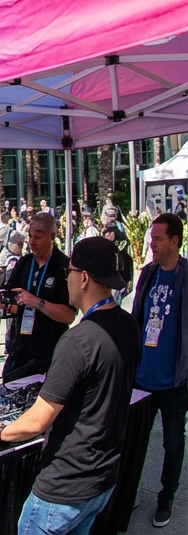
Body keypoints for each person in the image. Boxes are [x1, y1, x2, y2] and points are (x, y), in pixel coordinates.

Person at [0, 237, 139, 535]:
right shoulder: (128, 325)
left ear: (84, 278)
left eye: (70, 272)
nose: (67, 278)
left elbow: (37, 421)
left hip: (65, 486)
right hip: (103, 477)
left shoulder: (77, 341)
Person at [131, 213, 188, 528]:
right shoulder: (149, 273)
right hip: (141, 378)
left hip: (175, 381)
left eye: (157, 239)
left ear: (174, 241)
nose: (151, 244)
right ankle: (130, 492)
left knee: (173, 442)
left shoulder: (186, 275)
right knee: (133, 438)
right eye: (151, 238)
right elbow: (137, 316)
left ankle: (166, 498)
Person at [0, 212, 76, 379]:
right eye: (30, 236)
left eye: (38, 237)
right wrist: (6, 304)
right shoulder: (24, 263)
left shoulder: (64, 267)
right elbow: (10, 301)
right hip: (20, 350)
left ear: (52, 236)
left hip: (50, 355)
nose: (32, 242)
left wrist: (37, 302)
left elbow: (69, 316)